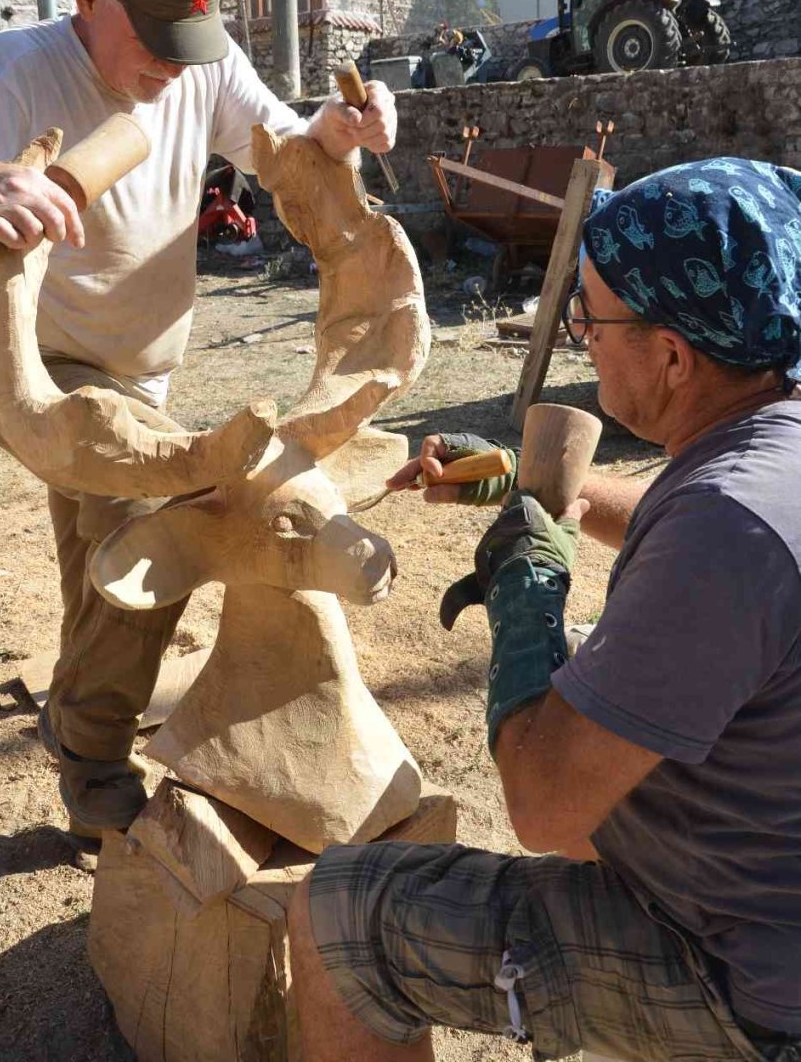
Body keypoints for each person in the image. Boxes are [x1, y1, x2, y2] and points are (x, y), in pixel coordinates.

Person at [0, 0, 397, 834]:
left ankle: (83, 697)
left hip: (141, 372)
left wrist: (338, 131)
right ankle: (92, 760)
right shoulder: (4, 72)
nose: (175, 68)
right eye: (157, 39)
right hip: (19, 368)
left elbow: (283, 151)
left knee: (104, 567)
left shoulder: (197, 65)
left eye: (192, 39)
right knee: (166, 514)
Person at [288, 157, 801, 1062]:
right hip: (769, 882)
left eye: (591, 317)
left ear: (675, 355)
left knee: (341, 914)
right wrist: (531, 488)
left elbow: (546, 803)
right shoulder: (767, 459)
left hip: (745, 975)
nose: (579, 335)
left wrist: (527, 580)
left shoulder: (724, 529)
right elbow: (695, 542)